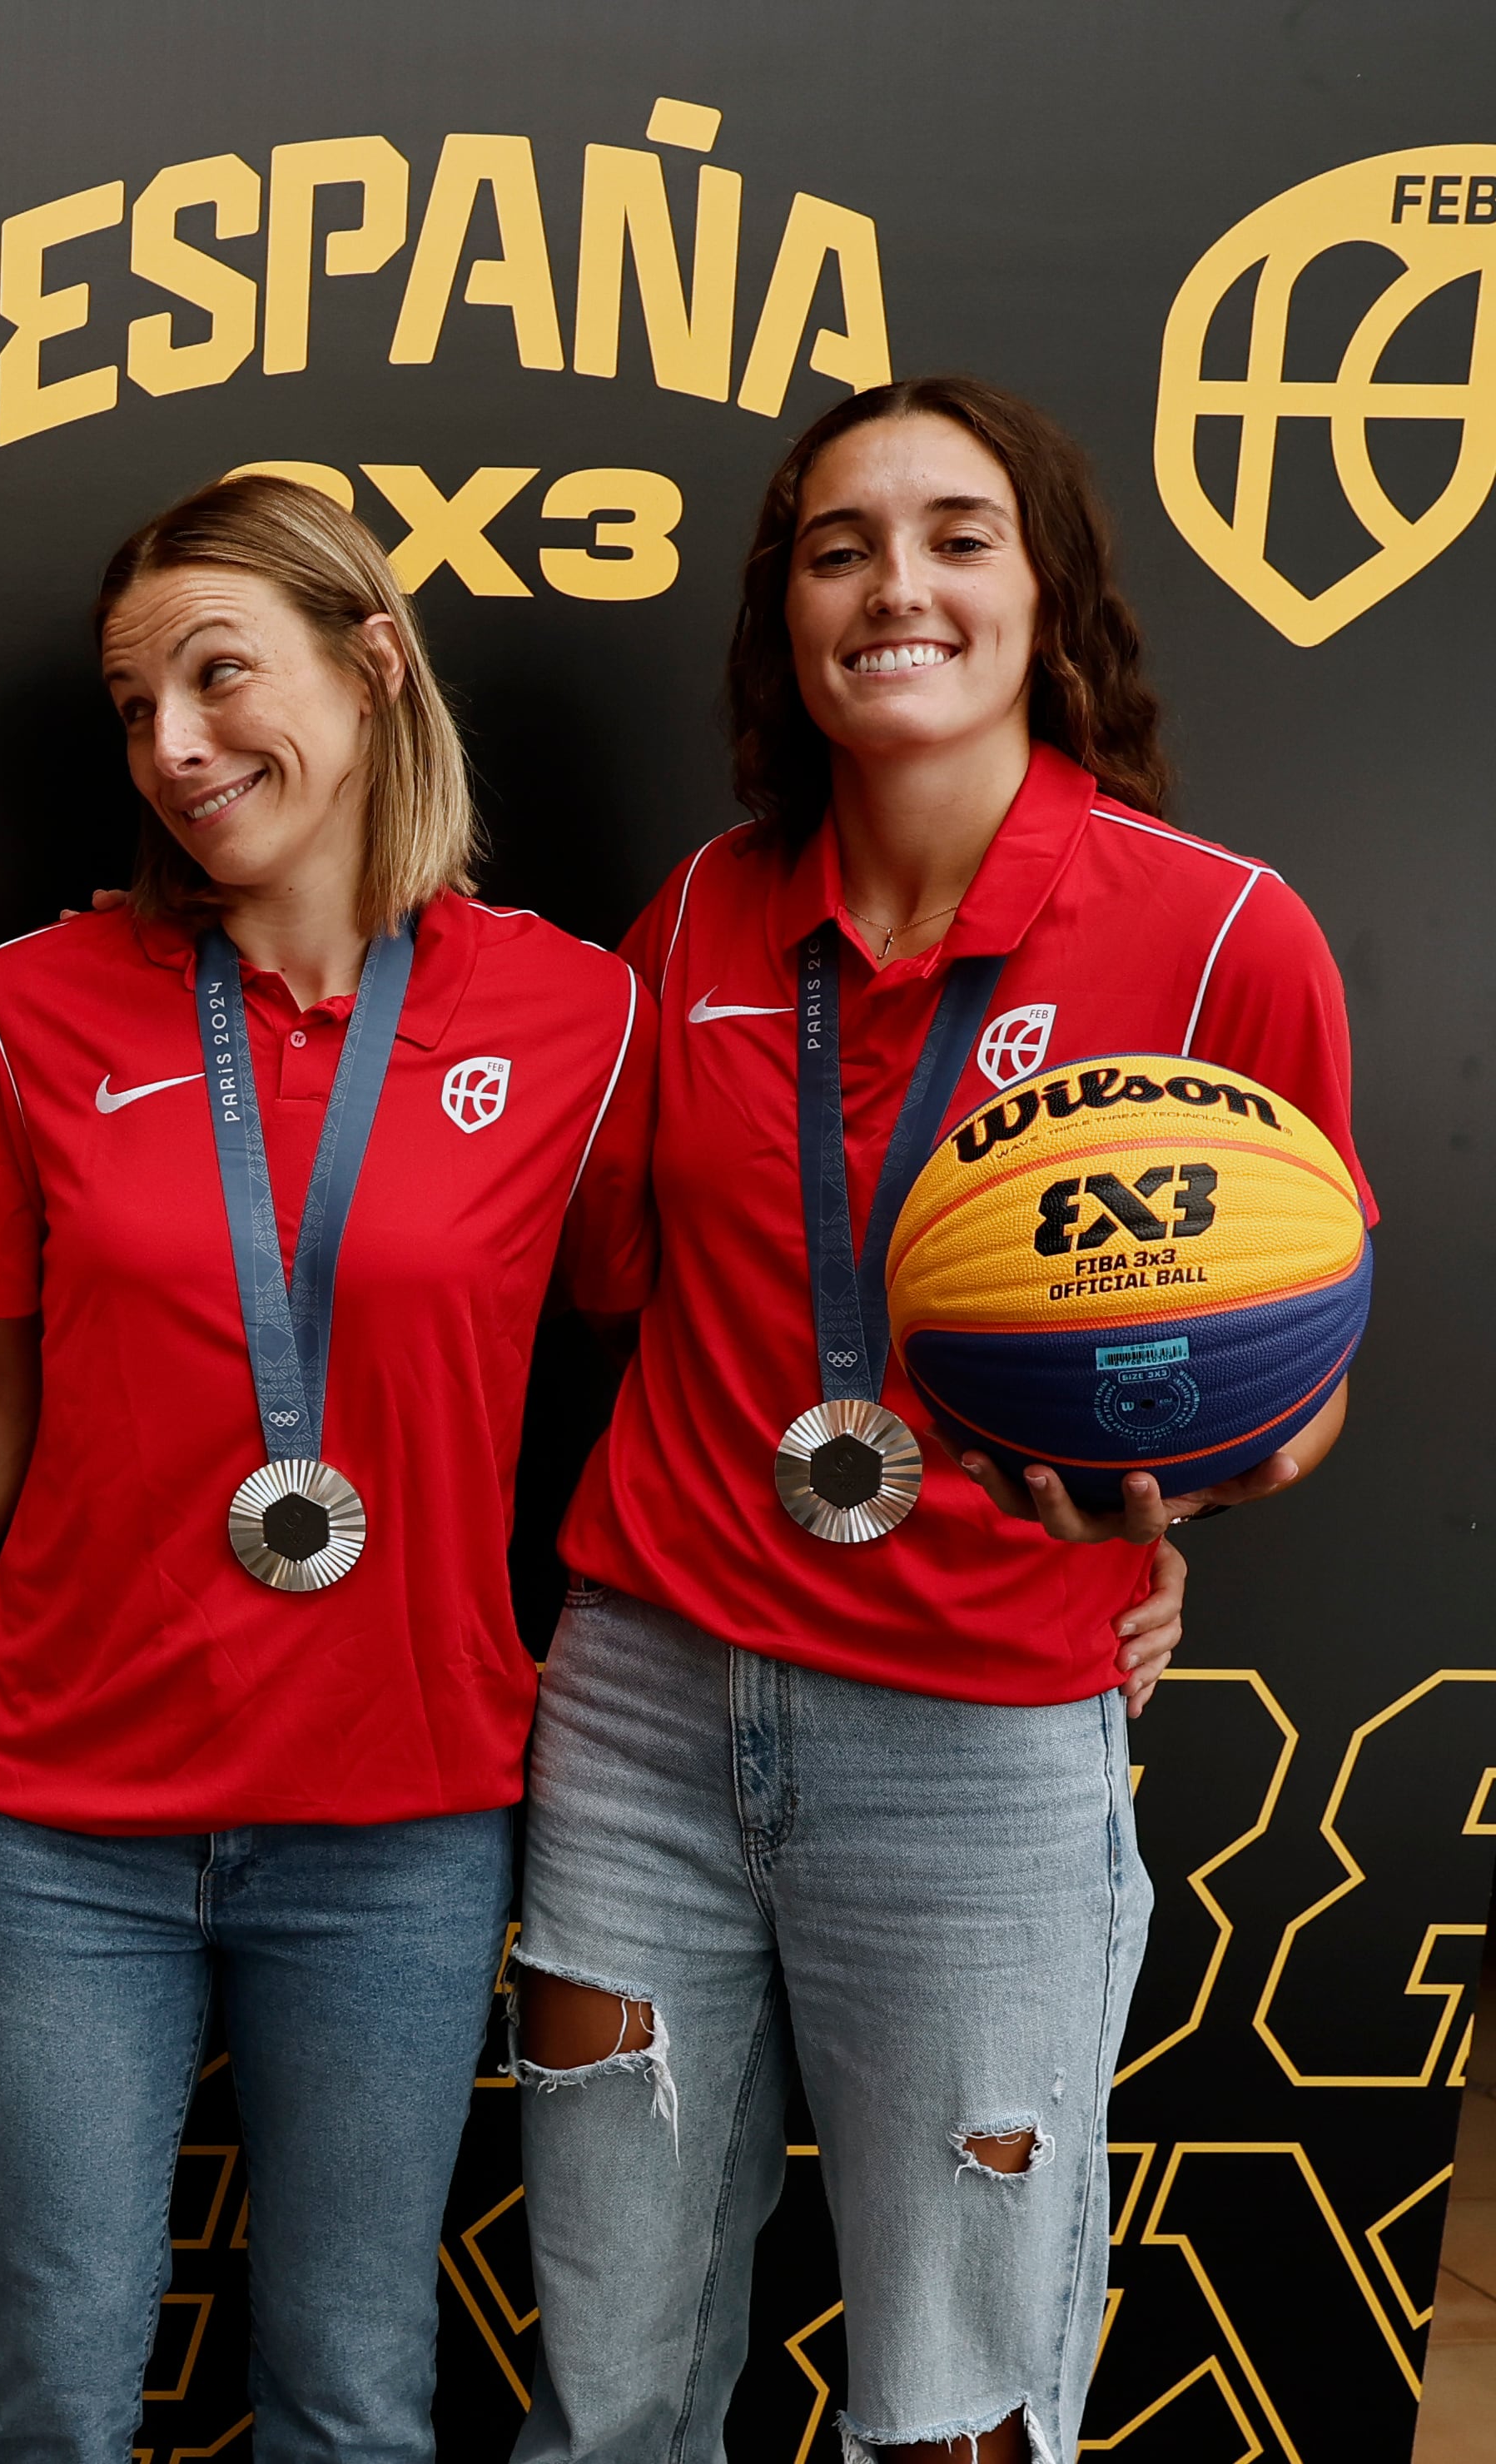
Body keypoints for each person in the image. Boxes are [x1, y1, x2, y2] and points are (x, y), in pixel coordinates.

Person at [509, 376, 1340, 2464]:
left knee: (956, 2415)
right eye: (837, 545)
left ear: (1041, 589)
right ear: (782, 614)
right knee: (610, 2398)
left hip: (978, 1742)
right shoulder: (694, 917)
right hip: (640, 1724)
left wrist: (1165, 1498)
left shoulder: (1221, 928)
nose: (898, 585)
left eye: (956, 535)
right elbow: (588, 1278)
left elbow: (1296, 1393)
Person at [0, 471, 674, 2463]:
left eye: (220, 678)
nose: (174, 747)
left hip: (398, 1813)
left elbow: (686, 1355)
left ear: (371, 662)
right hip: (64, 1816)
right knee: (44, 2388)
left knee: (350, 2391)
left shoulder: (575, 1012)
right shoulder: (39, 1002)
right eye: (135, 705)